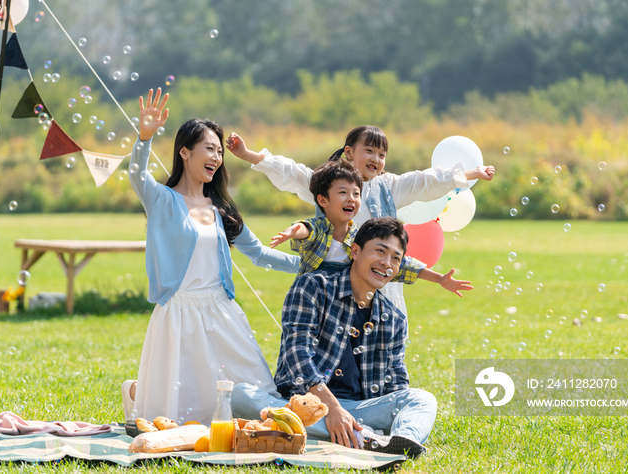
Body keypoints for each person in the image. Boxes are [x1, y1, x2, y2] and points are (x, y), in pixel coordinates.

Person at [122, 88, 300, 426]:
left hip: (221, 310)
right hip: (178, 311)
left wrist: (312, 265)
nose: (216, 157)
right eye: (209, 149)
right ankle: (136, 394)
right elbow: (137, 175)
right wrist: (144, 138)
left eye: (220, 151)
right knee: (182, 414)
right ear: (185, 152)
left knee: (256, 393)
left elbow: (260, 254)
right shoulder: (162, 200)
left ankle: (137, 392)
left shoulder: (221, 209)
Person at [226, 126, 494, 316]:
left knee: (382, 337)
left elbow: (425, 180)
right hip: (334, 283)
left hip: (378, 282)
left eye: (381, 154)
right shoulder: (328, 182)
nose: (376, 159)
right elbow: (292, 173)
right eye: (369, 151)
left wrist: (471, 173)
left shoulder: (389, 186)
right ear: (349, 152)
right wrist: (249, 155)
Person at [232, 217, 441, 458]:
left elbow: (396, 383)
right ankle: (365, 437)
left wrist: (396, 409)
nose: (387, 263)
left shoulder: (393, 318)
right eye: (380, 252)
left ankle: (402, 443)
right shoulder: (313, 287)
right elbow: (296, 352)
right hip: (306, 404)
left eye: (396, 258)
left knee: (422, 399)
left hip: (359, 409)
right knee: (241, 395)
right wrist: (331, 408)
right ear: (355, 250)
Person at [272, 159, 472, 296]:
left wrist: (439, 279)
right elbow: (307, 230)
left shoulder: (359, 241)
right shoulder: (320, 231)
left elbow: (401, 265)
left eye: (356, 194)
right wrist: (293, 230)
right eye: (343, 192)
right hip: (313, 303)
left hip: (345, 310)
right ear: (322, 200)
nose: (351, 198)